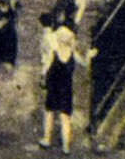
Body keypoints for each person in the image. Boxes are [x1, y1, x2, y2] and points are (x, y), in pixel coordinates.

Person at [38, 10, 93, 152]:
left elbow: (46, 66)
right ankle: (66, 146)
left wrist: (43, 78)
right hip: (66, 88)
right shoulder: (73, 54)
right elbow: (84, 63)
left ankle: (47, 139)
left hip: (53, 86)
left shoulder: (54, 52)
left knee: (49, 112)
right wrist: (90, 55)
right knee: (65, 117)